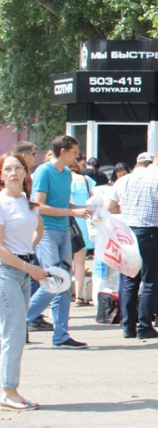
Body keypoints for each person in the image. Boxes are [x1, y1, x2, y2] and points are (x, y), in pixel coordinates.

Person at [25, 134, 91, 348]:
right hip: (47, 232)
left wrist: (78, 209)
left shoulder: (66, 174)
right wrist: (71, 211)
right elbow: (39, 205)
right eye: (74, 152)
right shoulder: (45, 172)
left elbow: (63, 202)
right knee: (55, 280)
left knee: (63, 281)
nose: (77, 156)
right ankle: (20, 319)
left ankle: (61, 335)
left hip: (63, 231)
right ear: (63, 151)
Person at [109, 147, 158, 341]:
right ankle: (145, 325)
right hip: (148, 232)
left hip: (128, 231)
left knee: (131, 280)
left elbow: (117, 204)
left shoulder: (130, 177)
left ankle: (128, 326)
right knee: (150, 280)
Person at [0, 152, 47, 410]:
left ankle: (9, 388)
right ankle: (9, 392)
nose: (13, 173)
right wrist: (29, 266)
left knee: (15, 331)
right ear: (1, 175)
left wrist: (29, 251)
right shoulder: (2, 203)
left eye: (18, 168)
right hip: (6, 271)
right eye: (8, 169)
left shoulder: (28, 203)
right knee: (14, 333)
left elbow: (38, 228)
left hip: (22, 269)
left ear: (26, 173)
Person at [69, 159, 96, 306]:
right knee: (80, 263)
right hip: (83, 222)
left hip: (67, 222)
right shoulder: (86, 180)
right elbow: (95, 198)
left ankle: (65, 293)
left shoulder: (63, 180)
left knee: (65, 262)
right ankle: (79, 296)